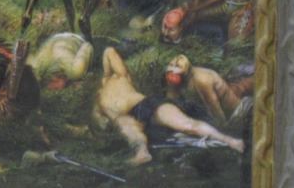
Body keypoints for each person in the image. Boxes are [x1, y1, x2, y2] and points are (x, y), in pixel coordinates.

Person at [92, 46, 245, 164]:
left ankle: (231, 141)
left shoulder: (119, 76)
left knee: (187, 125)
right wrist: (102, 121)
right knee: (126, 125)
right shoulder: (98, 100)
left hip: (144, 105)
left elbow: (109, 51)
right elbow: (100, 121)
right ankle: (142, 153)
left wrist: (106, 74)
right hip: (126, 117)